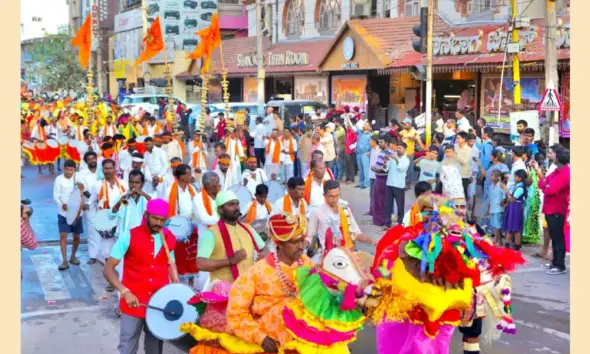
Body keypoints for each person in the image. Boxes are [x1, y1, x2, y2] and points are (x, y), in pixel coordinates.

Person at [226, 213, 313, 353]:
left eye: (302, 240)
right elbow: (235, 312)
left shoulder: (307, 264)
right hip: (270, 339)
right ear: (279, 243)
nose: (301, 246)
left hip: (304, 337)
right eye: (294, 242)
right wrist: (261, 337)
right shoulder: (257, 272)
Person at [103, 198, 179, 354]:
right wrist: (125, 291)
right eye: (155, 218)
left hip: (158, 304)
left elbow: (171, 265)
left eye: (162, 220)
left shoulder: (169, 237)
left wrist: (177, 287)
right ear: (146, 215)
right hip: (133, 303)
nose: (158, 223)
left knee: (155, 349)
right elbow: (108, 269)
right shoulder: (129, 236)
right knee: (127, 347)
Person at [108, 170, 154, 316]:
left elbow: (155, 206)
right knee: (122, 274)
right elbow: (112, 213)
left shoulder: (147, 198)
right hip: (124, 241)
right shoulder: (123, 197)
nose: (133, 186)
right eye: (131, 182)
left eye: (136, 183)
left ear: (142, 184)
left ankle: (140, 303)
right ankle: (121, 305)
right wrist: (120, 201)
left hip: (143, 241)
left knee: (142, 273)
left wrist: (143, 194)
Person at [196, 191, 268, 283]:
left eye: (237, 204)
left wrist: (264, 255)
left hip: (249, 286)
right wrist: (230, 261)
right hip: (224, 291)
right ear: (220, 209)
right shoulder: (210, 234)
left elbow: (264, 249)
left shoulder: (248, 228)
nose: (236, 207)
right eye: (231, 204)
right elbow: (200, 264)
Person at [306, 180, 375, 262]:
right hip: (328, 257)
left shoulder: (345, 210)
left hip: (348, 254)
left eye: (337, 196)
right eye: (331, 196)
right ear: (324, 195)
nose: (334, 199)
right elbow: (309, 236)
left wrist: (370, 240)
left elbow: (356, 233)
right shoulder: (317, 212)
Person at [90, 159, 129, 266]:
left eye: (110, 168)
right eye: (105, 168)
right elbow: (91, 204)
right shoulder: (97, 185)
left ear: (114, 169)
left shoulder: (122, 184)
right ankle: (110, 275)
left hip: (121, 221)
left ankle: (121, 275)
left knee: (122, 247)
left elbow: (127, 201)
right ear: (102, 170)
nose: (108, 171)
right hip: (106, 222)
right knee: (107, 251)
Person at [537, 150, 570, 275]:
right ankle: (554, 262)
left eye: (554, 155)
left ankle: (560, 265)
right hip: (550, 207)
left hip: (557, 208)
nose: (552, 157)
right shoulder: (557, 171)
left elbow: (552, 190)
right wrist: (546, 185)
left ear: (558, 159)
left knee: (558, 238)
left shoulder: (565, 173)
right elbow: (543, 182)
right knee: (554, 237)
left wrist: (546, 185)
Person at [53, 159, 83, 271]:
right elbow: (56, 196)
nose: (69, 172)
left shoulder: (79, 178)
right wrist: (62, 204)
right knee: (63, 236)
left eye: (71, 170)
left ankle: (73, 256)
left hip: (77, 213)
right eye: (67, 169)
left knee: (77, 236)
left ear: (74, 169)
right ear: (64, 168)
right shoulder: (58, 179)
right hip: (63, 213)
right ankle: (64, 261)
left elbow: (84, 193)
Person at [78, 151, 101, 264]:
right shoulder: (82, 174)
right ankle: (93, 255)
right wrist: (94, 197)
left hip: (103, 203)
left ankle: (104, 254)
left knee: (104, 227)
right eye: (89, 159)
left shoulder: (102, 170)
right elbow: (83, 189)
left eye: (93, 158)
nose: (92, 161)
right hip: (89, 205)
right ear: (86, 161)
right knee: (92, 230)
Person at [383, 141, 410, 229]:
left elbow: (401, 168)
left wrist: (395, 159)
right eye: (397, 148)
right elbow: (385, 169)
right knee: (388, 204)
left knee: (400, 205)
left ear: (405, 150)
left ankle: (400, 223)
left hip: (399, 185)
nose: (398, 150)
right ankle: (387, 224)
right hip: (389, 183)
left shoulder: (406, 160)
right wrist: (385, 162)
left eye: (400, 148)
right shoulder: (392, 157)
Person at [501, 169, 527, 250]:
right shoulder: (519, 186)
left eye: (515, 176)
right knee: (512, 226)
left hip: (515, 208)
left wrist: (505, 190)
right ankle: (510, 245)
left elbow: (512, 199)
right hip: (514, 207)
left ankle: (515, 246)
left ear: (520, 178)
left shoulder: (520, 188)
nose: (514, 178)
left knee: (515, 228)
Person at [370, 136, 391, 225]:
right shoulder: (381, 152)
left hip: (383, 178)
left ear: (386, 143)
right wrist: (375, 168)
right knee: (376, 200)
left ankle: (382, 220)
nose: (380, 144)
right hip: (378, 177)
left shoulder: (388, 153)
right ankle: (377, 220)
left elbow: (387, 168)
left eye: (381, 142)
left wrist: (377, 170)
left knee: (381, 201)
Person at [399, 118, 424, 189]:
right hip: (403, 153)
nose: (404, 125)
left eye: (405, 124)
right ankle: (402, 183)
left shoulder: (414, 131)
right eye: (403, 124)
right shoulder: (404, 131)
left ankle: (407, 184)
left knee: (408, 170)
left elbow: (416, 138)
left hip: (409, 153)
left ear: (409, 124)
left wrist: (408, 137)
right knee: (403, 169)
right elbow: (398, 134)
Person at [486, 170, 507, 245]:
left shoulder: (501, 185)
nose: (491, 176)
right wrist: (488, 209)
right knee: (495, 225)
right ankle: (497, 239)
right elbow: (490, 198)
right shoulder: (491, 186)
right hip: (493, 208)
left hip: (498, 208)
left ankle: (499, 240)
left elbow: (505, 196)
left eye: (492, 175)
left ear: (498, 177)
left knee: (498, 225)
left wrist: (503, 202)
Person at [353, 121, 373, 189]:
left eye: (365, 124)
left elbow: (373, 145)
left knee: (366, 170)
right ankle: (361, 184)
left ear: (369, 127)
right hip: (358, 153)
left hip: (365, 154)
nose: (363, 125)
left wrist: (369, 152)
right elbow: (353, 128)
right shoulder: (360, 132)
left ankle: (367, 185)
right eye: (363, 124)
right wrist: (348, 119)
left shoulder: (370, 135)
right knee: (360, 170)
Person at [455, 132, 473, 198]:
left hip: (463, 176)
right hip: (453, 174)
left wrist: (456, 155)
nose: (456, 140)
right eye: (456, 138)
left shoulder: (469, 150)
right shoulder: (455, 146)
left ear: (464, 139)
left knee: (462, 195)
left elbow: (464, 161)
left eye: (458, 138)